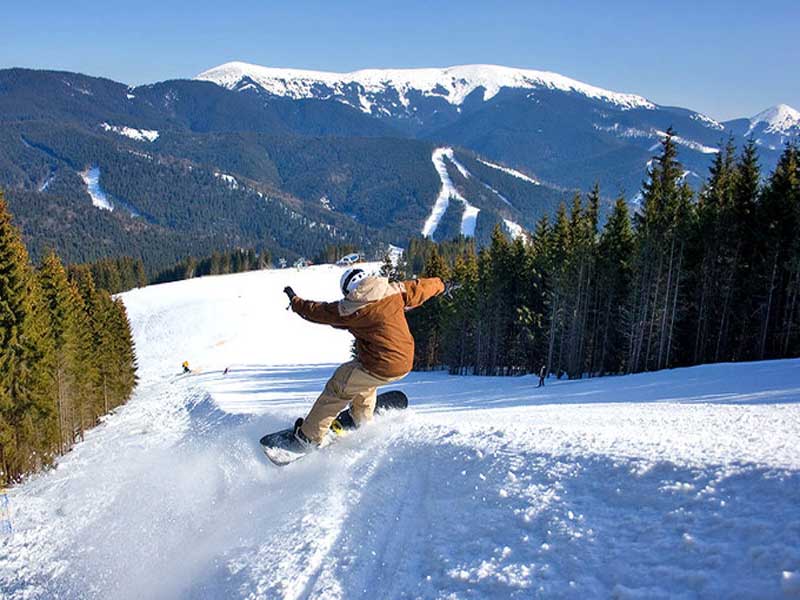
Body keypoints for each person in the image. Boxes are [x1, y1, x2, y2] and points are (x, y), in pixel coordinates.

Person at [283, 267, 446, 449]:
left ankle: (308, 437)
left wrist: (296, 302)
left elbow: (318, 312)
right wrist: (441, 285)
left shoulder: (350, 309)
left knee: (339, 385)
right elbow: (421, 287)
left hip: (382, 364)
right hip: (404, 359)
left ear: (348, 290)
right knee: (360, 376)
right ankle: (361, 417)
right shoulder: (393, 290)